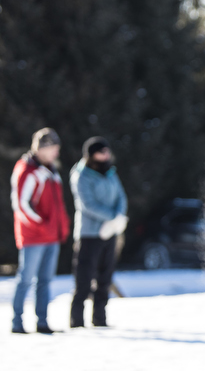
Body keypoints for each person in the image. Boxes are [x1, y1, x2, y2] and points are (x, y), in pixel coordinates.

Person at [10, 128, 70, 334]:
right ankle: (17, 322)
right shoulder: (28, 170)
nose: (57, 153)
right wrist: (41, 225)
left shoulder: (51, 170)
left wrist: (61, 227)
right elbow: (21, 205)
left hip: (51, 236)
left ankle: (42, 321)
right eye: (54, 148)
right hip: (34, 236)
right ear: (43, 148)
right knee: (26, 279)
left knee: (45, 281)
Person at [69, 137, 128, 328]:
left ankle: (100, 319)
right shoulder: (81, 175)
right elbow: (87, 204)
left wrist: (118, 217)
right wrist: (111, 216)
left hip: (110, 233)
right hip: (89, 234)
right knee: (84, 279)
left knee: (105, 277)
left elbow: (121, 196)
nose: (106, 155)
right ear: (91, 154)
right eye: (101, 152)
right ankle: (77, 321)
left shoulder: (110, 172)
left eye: (107, 152)